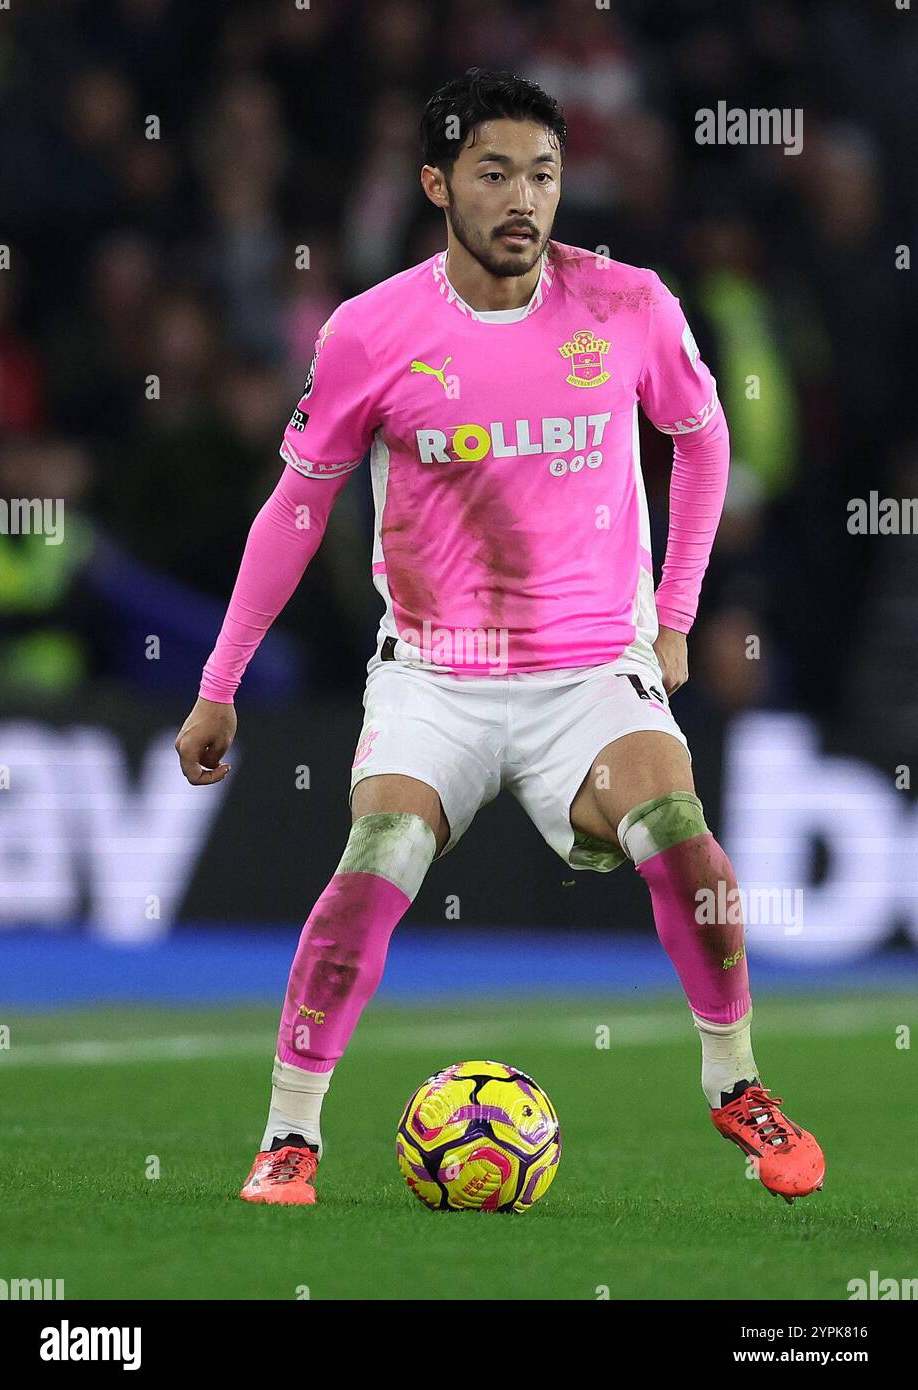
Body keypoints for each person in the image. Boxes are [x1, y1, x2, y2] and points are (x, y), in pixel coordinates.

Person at [174, 68, 824, 1208]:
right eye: (493, 173)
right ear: (436, 184)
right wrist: (219, 681)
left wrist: (671, 618)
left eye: (542, 173)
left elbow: (704, 441)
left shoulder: (629, 304)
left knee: (688, 845)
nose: (524, 198)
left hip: (590, 670)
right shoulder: (371, 331)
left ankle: (736, 1082)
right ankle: (290, 1137)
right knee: (370, 869)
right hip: (434, 672)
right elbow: (297, 507)